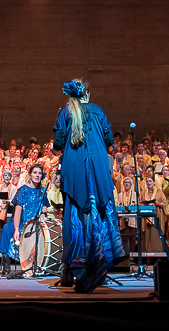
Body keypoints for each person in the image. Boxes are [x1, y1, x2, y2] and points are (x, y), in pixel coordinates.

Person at [50, 78, 124, 293]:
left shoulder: (65, 112)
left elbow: (58, 143)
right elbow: (110, 140)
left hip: (75, 170)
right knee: (98, 213)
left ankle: (77, 269)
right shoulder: (98, 110)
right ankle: (97, 268)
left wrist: (57, 150)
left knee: (75, 218)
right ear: (88, 93)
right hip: (98, 168)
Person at [0, 163, 49, 275]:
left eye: (40, 173)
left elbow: (44, 207)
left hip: (35, 223)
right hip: (21, 222)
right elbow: (18, 211)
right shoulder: (23, 190)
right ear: (30, 175)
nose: (37, 175)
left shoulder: (43, 190)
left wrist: (43, 214)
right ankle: (5, 260)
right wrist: (16, 228)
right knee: (7, 228)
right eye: (35, 172)